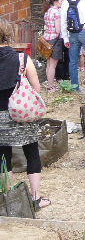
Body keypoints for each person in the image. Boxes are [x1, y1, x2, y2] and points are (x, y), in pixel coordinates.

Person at [0, 19, 50, 210]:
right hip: (21, 113)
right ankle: (36, 199)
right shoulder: (22, 59)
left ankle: (10, 200)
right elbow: (36, 88)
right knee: (32, 153)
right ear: (9, 34)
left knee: (3, 157)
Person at [42, 0, 64, 92]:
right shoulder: (56, 12)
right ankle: (50, 87)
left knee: (48, 64)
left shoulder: (48, 11)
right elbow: (58, 30)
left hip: (47, 39)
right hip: (55, 39)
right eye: (61, 1)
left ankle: (49, 84)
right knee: (53, 65)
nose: (62, 2)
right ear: (55, 2)